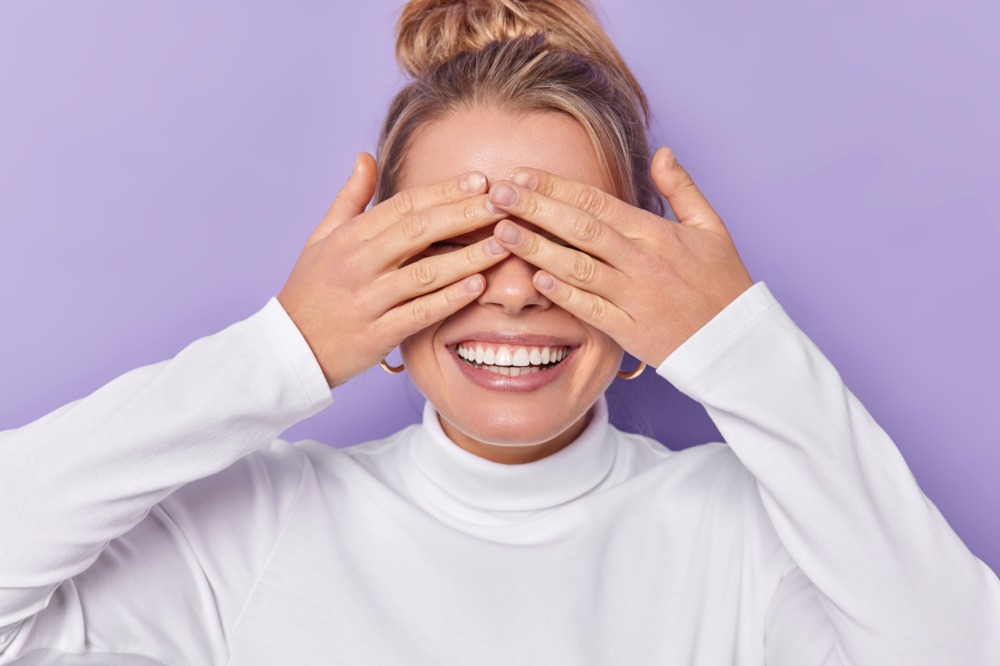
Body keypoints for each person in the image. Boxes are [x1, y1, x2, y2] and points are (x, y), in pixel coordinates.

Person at [1, 0, 998, 663]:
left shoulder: (747, 532)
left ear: (648, 291)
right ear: (376, 287)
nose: (515, 292)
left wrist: (737, 345)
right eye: (454, 243)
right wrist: (282, 351)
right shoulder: (255, 528)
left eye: (570, 244)